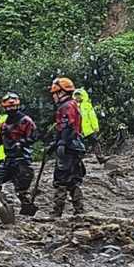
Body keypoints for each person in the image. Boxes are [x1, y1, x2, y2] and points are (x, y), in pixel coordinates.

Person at [0, 93, 37, 212]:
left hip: (22, 160)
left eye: (12, 107)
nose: (10, 109)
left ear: (17, 106)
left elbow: (33, 137)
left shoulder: (25, 121)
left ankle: (28, 212)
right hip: (8, 160)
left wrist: (21, 143)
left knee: (22, 191)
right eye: (8, 107)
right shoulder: (4, 124)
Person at [49, 78, 86, 217]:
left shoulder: (65, 106)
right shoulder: (73, 104)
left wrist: (62, 143)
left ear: (62, 93)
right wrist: (55, 143)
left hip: (69, 148)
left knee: (61, 179)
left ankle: (57, 211)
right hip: (76, 146)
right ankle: (79, 210)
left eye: (55, 93)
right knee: (73, 180)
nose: (53, 96)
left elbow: (67, 126)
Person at [74, 88, 106, 164]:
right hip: (78, 130)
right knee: (78, 146)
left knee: (95, 142)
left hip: (88, 129)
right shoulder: (73, 106)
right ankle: (77, 162)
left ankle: (100, 158)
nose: (78, 97)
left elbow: (92, 116)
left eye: (79, 95)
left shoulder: (87, 105)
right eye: (76, 95)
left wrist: (95, 127)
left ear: (83, 96)